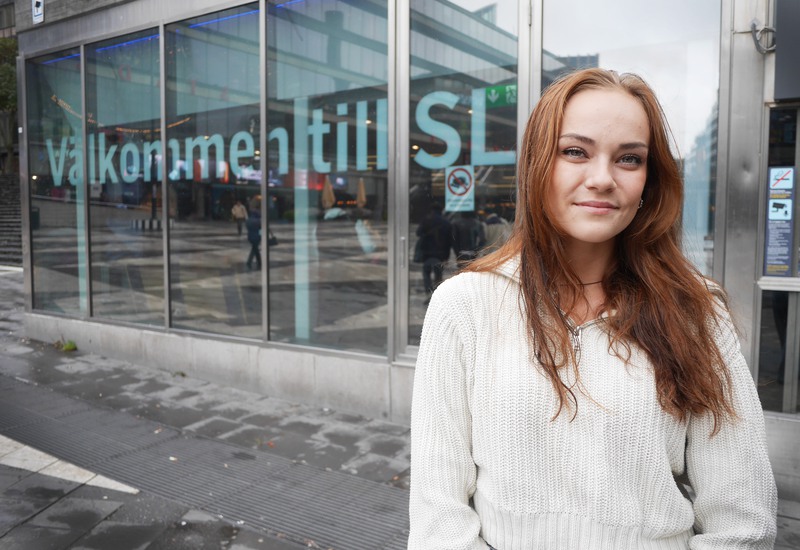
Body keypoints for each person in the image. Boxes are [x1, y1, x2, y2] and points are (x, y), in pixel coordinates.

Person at [407, 68, 777, 549]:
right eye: (575, 151)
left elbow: (743, 521)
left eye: (629, 158)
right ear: (538, 163)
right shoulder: (464, 305)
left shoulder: (696, 311)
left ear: (648, 179)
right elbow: (439, 518)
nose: (602, 179)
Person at [415, 203, 453, 301]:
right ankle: (437, 294)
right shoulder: (446, 223)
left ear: (432, 211)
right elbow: (449, 242)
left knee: (426, 273)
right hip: (440, 254)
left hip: (427, 253)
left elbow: (418, 233)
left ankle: (428, 293)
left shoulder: (426, 220)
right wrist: (446, 256)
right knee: (438, 274)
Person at [245, 202, 262, 270]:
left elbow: (247, 228)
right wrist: (261, 236)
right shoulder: (258, 221)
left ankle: (258, 261)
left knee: (255, 248)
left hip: (250, 236)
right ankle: (251, 261)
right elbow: (261, 229)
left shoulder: (248, 220)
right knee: (255, 249)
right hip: (257, 236)